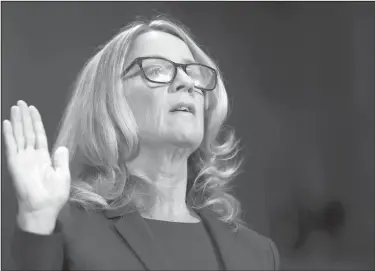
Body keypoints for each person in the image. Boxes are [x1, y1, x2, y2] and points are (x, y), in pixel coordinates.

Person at [3, 17, 280, 270]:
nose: (186, 82)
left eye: (193, 73)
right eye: (157, 70)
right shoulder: (65, 234)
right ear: (110, 101)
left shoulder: (258, 255)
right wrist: (37, 219)